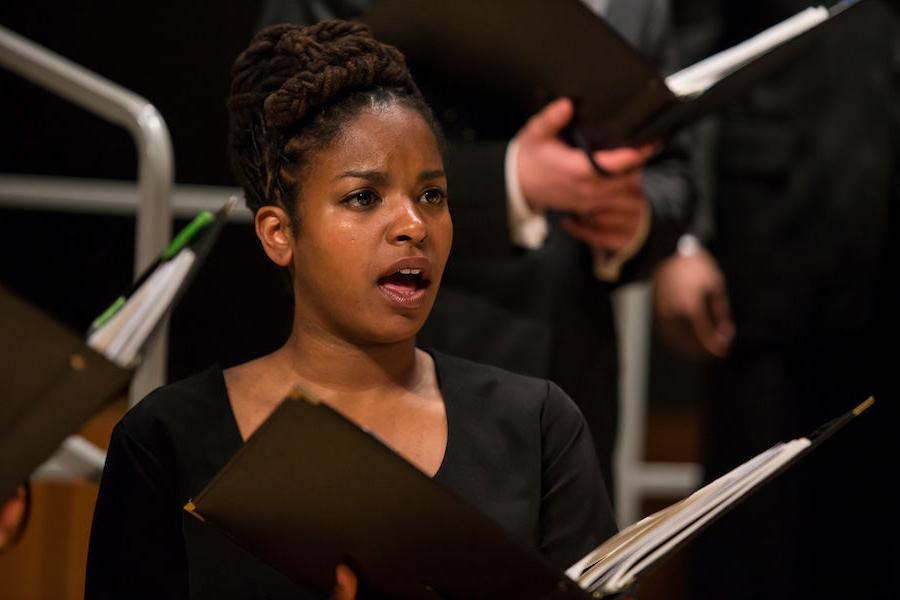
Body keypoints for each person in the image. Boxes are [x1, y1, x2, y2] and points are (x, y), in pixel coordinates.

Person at [84, 20, 616, 599]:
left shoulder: (535, 426)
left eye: (431, 195)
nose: (414, 226)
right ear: (279, 233)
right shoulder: (166, 440)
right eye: (363, 198)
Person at [260, 0, 697, 503]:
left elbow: (675, 173)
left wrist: (636, 219)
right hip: (400, 352)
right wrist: (510, 178)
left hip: (575, 363)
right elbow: (281, 132)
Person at [654, 1, 900, 597]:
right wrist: (683, 238)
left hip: (884, 241)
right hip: (768, 245)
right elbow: (694, 59)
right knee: (758, 524)